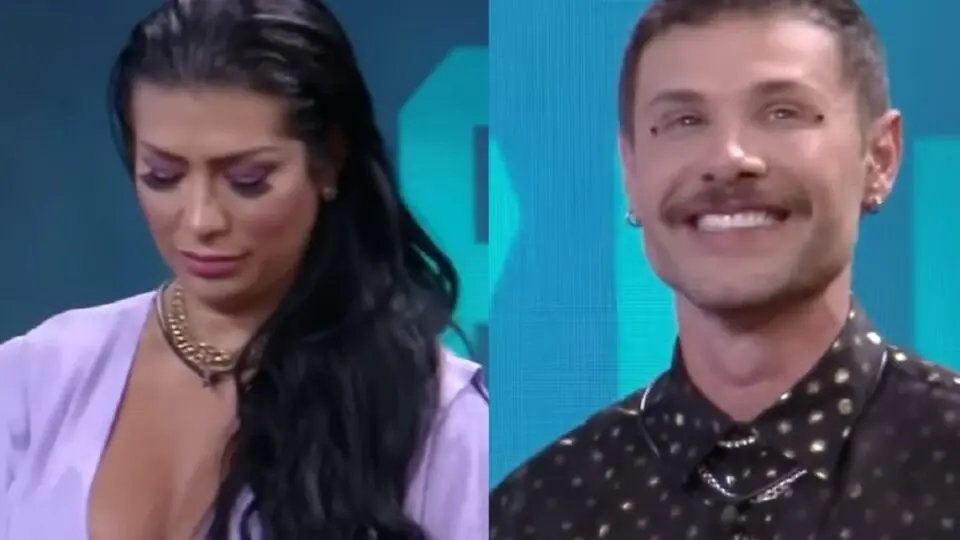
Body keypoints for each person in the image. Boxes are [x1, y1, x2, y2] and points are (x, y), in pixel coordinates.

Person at [0, 1, 488, 539]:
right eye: (163, 176)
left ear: (329, 162)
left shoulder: (439, 424)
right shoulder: (37, 378)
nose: (200, 220)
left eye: (248, 180)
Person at [491, 0, 960, 538]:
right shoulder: (536, 509)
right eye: (684, 120)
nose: (728, 157)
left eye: (782, 112)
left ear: (879, 158)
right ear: (631, 172)